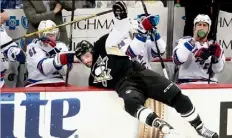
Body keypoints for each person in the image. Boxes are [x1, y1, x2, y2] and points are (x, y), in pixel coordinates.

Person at [74, 2, 218, 138]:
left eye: (86, 56)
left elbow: (120, 29)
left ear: (91, 50)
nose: (86, 61)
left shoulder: (101, 45)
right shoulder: (92, 78)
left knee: (176, 94)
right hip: (124, 85)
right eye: (82, 60)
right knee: (130, 104)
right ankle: (162, 126)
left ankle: (200, 127)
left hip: (138, 72)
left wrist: (121, 16)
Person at [173, 14, 225, 84]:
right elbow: (178, 60)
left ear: (208, 29)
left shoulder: (214, 45)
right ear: (195, 27)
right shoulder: (183, 42)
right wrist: (193, 40)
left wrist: (216, 58)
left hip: (210, 84)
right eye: (199, 25)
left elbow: (218, 70)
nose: (201, 27)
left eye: (204, 25)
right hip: (187, 83)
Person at [25, 20, 75, 87]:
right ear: (41, 34)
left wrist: (53, 49)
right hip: (37, 83)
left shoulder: (61, 46)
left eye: (54, 35)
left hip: (59, 82)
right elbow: (44, 69)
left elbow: (64, 71)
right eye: (49, 35)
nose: (52, 38)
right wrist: (57, 57)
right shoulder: (33, 46)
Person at [0, 9, 26, 88]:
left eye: (4, 21)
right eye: (2, 20)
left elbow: (8, 46)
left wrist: (15, 52)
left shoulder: (1, 29)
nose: (3, 23)